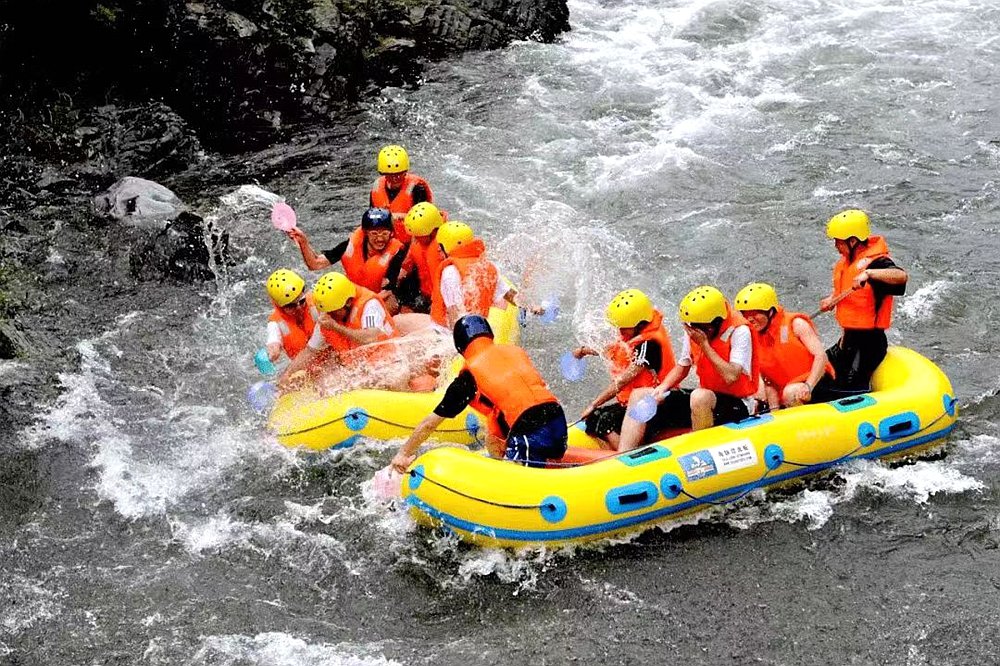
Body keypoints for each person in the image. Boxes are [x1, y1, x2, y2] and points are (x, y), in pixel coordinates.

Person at [390, 315, 568, 471]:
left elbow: (430, 423)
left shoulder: (469, 377)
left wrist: (403, 454)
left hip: (529, 428)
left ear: (460, 345)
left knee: (520, 482)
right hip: (557, 419)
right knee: (496, 437)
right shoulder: (514, 351)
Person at [617, 286, 760, 450]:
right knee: (641, 394)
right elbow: (683, 366)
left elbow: (731, 376)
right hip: (707, 398)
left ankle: (701, 451)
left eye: (701, 327)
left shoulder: (740, 332)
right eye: (694, 326)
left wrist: (704, 344)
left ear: (716, 322)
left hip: (738, 403)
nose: (695, 330)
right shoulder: (695, 329)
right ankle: (622, 455)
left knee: (699, 396)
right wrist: (661, 389)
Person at [573, 289, 676, 448]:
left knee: (602, 419)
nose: (619, 331)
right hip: (635, 403)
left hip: (655, 403)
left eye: (623, 327)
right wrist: (584, 350)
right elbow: (617, 349)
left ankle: (626, 454)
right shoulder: (638, 332)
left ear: (639, 323)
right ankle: (617, 450)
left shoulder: (649, 344)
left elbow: (622, 381)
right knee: (595, 419)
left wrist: (594, 404)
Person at [820, 209, 907, 391]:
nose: (835, 245)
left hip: (869, 344)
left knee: (848, 385)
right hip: (848, 340)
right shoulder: (846, 263)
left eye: (838, 241)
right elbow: (847, 293)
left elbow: (901, 276)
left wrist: (869, 273)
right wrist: (832, 299)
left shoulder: (877, 264)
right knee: (819, 373)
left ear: (853, 241)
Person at [281, 271, 398, 383]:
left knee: (394, 379)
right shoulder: (327, 318)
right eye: (326, 311)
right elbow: (310, 351)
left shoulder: (369, 305)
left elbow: (371, 337)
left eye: (333, 311)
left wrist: (336, 327)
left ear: (348, 302)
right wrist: (288, 374)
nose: (328, 315)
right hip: (359, 368)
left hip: (389, 360)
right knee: (326, 385)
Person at [734, 282, 835, 408]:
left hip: (817, 383)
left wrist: (808, 386)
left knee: (790, 392)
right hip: (786, 391)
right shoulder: (752, 337)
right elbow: (769, 382)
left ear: (770, 311)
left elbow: (821, 357)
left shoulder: (796, 324)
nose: (750, 319)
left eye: (755, 314)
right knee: (757, 393)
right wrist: (774, 410)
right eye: (746, 315)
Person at [286, 207, 407, 310]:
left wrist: (358, 307)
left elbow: (387, 292)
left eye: (384, 233)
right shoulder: (350, 245)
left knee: (390, 301)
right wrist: (303, 241)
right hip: (353, 297)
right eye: (374, 233)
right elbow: (315, 264)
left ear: (391, 233)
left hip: (380, 299)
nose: (380, 239)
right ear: (365, 233)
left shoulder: (397, 251)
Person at [430, 221, 539, 328]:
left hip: (450, 333)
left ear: (448, 246)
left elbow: (454, 313)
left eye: (440, 245)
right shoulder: (487, 267)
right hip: (478, 327)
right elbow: (512, 296)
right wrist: (532, 307)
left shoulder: (450, 273)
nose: (439, 249)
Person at [370, 144, 434, 243]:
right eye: (390, 175)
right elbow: (371, 220)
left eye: (399, 174)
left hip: (412, 241)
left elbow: (423, 222)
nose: (395, 178)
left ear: (405, 171)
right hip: (385, 241)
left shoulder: (417, 188)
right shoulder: (377, 186)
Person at [394, 201, 447, 314]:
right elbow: (408, 262)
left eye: (419, 236)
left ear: (433, 231)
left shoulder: (443, 248)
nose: (415, 239)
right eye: (414, 236)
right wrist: (396, 281)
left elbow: (442, 286)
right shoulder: (419, 239)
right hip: (425, 294)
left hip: (442, 299)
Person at [264, 268, 316, 362]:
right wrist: (272, 353)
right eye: (291, 306)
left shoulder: (318, 303)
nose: (299, 308)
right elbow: (273, 341)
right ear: (279, 306)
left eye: (302, 301)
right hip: (304, 369)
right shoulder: (275, 324)